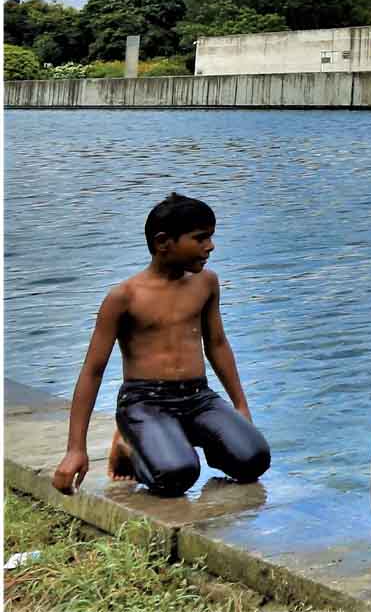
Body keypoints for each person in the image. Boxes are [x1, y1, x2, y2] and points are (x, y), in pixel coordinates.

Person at [50, 193, 270, 498]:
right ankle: (130, 445)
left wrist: (240, 406)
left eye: (211, 237)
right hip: (145, 401)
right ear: (163, 242)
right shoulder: (124, 297)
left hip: (198, 397)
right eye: (200, 238)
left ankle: (180, 440)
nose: (210, 246)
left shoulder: (206, 283)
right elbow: (93, 370)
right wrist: (75, 449)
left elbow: (217, 344)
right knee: (176, 476)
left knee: (254, 459)